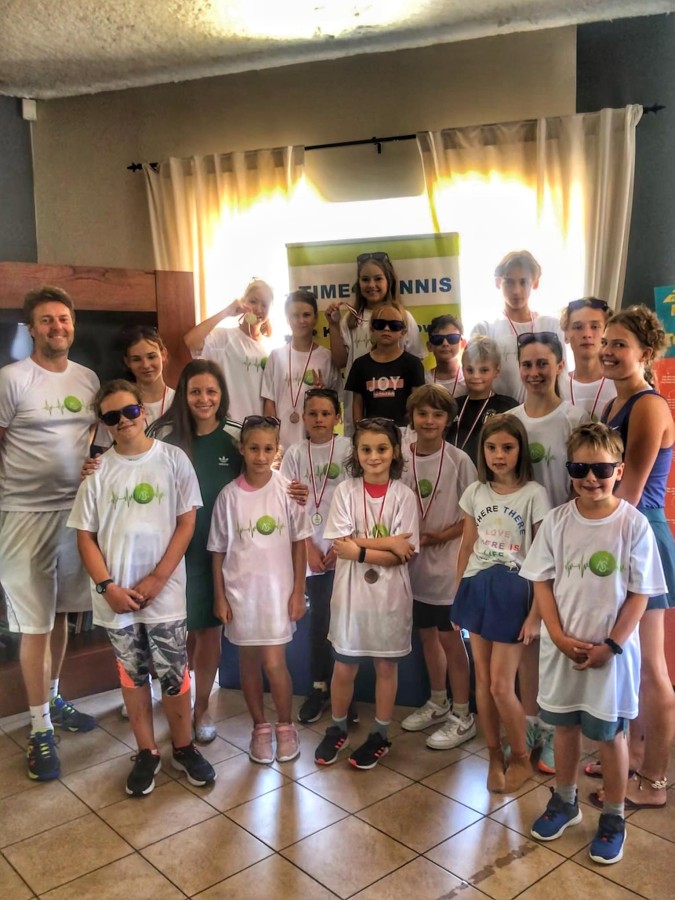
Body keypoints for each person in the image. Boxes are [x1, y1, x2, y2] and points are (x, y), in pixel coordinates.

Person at [522, 423, 666, 865]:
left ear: (619, 470)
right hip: (562, 651)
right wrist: (557, 635)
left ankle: (614, 816)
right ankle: (565, 801)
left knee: (610, 736)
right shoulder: (557, 522)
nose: (590, 478)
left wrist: (611, 645)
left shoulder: (633, 525)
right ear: (569, 470)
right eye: (579, 468)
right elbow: (542, 582)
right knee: (563, 729)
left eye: (601, 469)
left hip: (611, 657)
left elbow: (640, 593)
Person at [68, 379, 216, 796]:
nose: (123, 421)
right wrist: (107, 587)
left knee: (173, 673)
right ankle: (147, 751)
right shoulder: (98, 470)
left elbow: (187, 522)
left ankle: (183, 747)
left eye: (130, 411)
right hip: (116, 598)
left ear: (144, 411)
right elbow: (85, 536)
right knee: (132, 676)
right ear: (104, 423)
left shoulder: (173, 459)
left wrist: (158, 577)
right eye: (112, 416)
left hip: (164, 594)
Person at [0, 286, 99, 782]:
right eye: (46, 320)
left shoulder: (88, 379)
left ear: (72, 324)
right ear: (32, 328)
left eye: (63, 318)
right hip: (23, 515)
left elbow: (92, 442)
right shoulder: (11, 379)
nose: (57, 327)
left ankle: (54, 699)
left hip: (73, 514)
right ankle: (39, 729)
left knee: (60, 615)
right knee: (34, 624)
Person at [594, 305, 675, 811]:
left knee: (651, 668)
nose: (607, 351)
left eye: (619, 344)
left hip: (641, 539)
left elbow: (630, 491)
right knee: (631, 661)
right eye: (606, 342)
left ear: (645, 353)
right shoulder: (613, 403)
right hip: (619, 535)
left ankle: (654, 780)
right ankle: (634, 755)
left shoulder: (647, 406)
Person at [451, 414, 550, 793]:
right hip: (476, 587)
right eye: (491, 448)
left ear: (521, 450)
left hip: (513, 591)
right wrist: (457, 597)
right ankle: (494, 754)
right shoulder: (476, 492)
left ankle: (520, 757)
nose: (498, 455)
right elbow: (466, 546)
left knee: (500, 686)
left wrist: (536, 614)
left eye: (507, 447)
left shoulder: (534, 494)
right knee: (482, 680)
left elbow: (544, 559)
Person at [314, 417, 419, 769]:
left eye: (382, 449)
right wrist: (388, 542)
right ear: (356, 453)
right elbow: (339, 544)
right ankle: (337, 728)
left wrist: (359, 551)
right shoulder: (345, 491)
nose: (374, 456)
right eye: (366, 449)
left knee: (386, 667)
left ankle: (380, 735)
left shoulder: (404, 496)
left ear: (395, 452)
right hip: (351, 596)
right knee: (344, 666)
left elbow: (401, 555)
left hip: (390, 598)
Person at [208, 415, 313, 765]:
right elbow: (218, 551)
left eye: (268, 449)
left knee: (274, 662)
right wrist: (220, 596)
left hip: (277, 595)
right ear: (242, 449)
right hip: (241, 596)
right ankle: (260, 728)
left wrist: (298, 591)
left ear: (276, 450)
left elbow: (299, 543)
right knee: (249, 663)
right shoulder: (228, 496)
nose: (260, 455)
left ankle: (285, 725)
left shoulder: (287, 490)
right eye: (253, 448)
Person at [149, 359, 241, 744]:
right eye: (196, 391)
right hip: (172, 552)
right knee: (175, 633)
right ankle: (176, 701)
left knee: (209, 633)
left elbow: (260, 480)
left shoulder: (236, 436)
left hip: (217, 554)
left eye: (211, 391)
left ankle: (201, 707)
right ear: (183, 395)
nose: (204, 399)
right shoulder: (163, 436)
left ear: (222, 395)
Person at [511, 331, 589, 773]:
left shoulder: (575, 418)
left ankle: (561, 732)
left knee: (562, 639)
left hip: (566, 544)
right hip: (522, 547)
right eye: (527, 364)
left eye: (543, 363)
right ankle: (531, 724)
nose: (535, 372)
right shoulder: (510, 420)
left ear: (560, 366)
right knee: (528, 640)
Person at [399, 385, 478, 749]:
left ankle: (463, 713)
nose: (429, 421)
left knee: (449, 638)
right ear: (412, 417)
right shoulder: (400, 456)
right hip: (411, 565)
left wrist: (440, 536)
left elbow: (474, 516)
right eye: (422, 414)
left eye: (437, 414)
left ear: (449, 420)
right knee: (427, 635)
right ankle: (438, 700)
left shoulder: (459, 461)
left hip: (447, 566)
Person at [279, 388, 352, 724]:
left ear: (337, 417)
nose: (319, 419)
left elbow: (357, 499)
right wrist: (308, 546)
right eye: (313, 413)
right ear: (304, 418)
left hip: (344, 550)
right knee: (319, 620)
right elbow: (288, 504)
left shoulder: (349, 449)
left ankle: (344, 695)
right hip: (310, 550)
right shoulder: (295, 453)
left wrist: (340, 544)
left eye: (326, 413)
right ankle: (319, 687)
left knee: (344, 623)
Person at [325, 251, 426, 436]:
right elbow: (340, 362)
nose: (371, 285)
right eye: (365, 279)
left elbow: (415, 367)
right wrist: (333, 325)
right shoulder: (350, 320)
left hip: (399, 419)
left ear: (389, 281)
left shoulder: (404, 318)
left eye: (378, 278)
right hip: (361, 411)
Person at [472, 251, 565, 402]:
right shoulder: (484, 329)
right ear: (498, 282)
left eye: (523, 282)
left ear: (535, 283)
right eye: (509, 282)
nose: (516, 290)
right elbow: (476, 381)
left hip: (545, 410)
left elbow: (562, 378)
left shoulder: (551, 325)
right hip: (501, 413)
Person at [183, 278, 274, 423]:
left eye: (264, 304)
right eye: (253, 301)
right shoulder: (224, 337)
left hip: (256, 430)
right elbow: (191, 341)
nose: (258, 309)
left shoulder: (269, 348)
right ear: (243, 302)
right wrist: (227, 312)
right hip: (227, 427)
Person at [262, 290, 339, 451]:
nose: (301, 320)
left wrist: (323, 393)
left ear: (315, 318)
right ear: (287, 319)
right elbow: (270, 402)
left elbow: (335, 405)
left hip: (315, 444)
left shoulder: (326, 357)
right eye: (295, 315)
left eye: (306, 315)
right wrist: (271, 441)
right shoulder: (276, 356)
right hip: (282, 445)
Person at [344, 302, 426, 430]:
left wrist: (414, 432)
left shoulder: (413, 364)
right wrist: (360, 431)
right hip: (371, 433)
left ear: (403, 331)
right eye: (380, 324)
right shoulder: (360, 364)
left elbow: (418, 403)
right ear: (372, 329)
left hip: (405, 433)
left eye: (394, 326)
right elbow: (357, 403)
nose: (387, 329)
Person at [447, 335, 517, 465]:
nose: (476, 376)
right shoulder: (453, 405)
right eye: (470, 370)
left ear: (496, 371)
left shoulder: (508, 407)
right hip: (453, 470)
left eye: (484, 370)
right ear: (463, 369)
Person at [559, 298, 616, 420]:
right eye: (578, 327)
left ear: (607, 332)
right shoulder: (556, 385)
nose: (587, 334)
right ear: (566, 335)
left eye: (595, 326)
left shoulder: (620, 384)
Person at [120, 324, 175, 425]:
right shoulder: (120, 404)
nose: (145, 365)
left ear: (163, 354)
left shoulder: (180, 401)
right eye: (136, 359)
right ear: (127, 362)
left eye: (151, 357)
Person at [424, 314, 468, 398]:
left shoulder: (470, 379)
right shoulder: (423, 380)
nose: (445, 343)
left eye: (452, 338)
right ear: (429, 346)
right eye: (438, 339)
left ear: (463, 343)